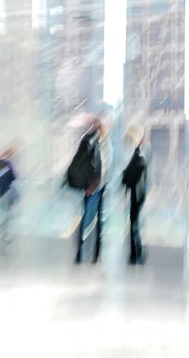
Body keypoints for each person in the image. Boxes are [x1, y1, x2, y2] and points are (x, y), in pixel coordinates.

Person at [74, 112, 114, 264]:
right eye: (96, 126)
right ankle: (81, 253)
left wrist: (94, 186)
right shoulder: (91, 142)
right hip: (90, 187)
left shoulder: (106, 145)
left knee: (97, 223)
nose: (98, 129)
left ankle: (95, 255)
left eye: (100, 126)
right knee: (86, 220)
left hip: (98, 188)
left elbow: (105, 168)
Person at [122, 124, 149, 264]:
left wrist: (125, 180)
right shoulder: (139, 156)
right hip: (137, 195)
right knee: (134, 224)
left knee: (134, 225)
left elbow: (131, 176)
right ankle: (136, 253)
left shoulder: (138, 157)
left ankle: (137, 253)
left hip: (136, 196)